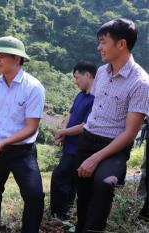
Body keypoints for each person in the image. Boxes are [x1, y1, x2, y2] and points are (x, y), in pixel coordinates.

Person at [74, 18, 149, 232]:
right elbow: (97, 110)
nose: (99, 47)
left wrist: (96, 158)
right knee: (83, 190)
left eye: (103, 42)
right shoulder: (102, 73)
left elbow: (130, 133)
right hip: (88, 138)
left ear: (121, 44)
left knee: (104, 184)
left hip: (114, 145)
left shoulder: (141, 83)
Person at [0, 36, 46, 233]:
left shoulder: (33, 87)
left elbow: (31, 127)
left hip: (23, 151)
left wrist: (3, 143)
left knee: (34, 195)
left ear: (17, 59)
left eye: (2, 56)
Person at [50, 62, 96, 219]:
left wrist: (62, 131)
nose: (76, 81)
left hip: (79, 148)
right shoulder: (80, 94)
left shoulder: (95, 98)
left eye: (77, 77)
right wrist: (63, 132)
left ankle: (58, 214)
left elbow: (85, 126)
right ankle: (64, 214)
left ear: (88, 75)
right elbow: (70, 113)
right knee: (67, 181)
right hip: (69, 146)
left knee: (59, 178)